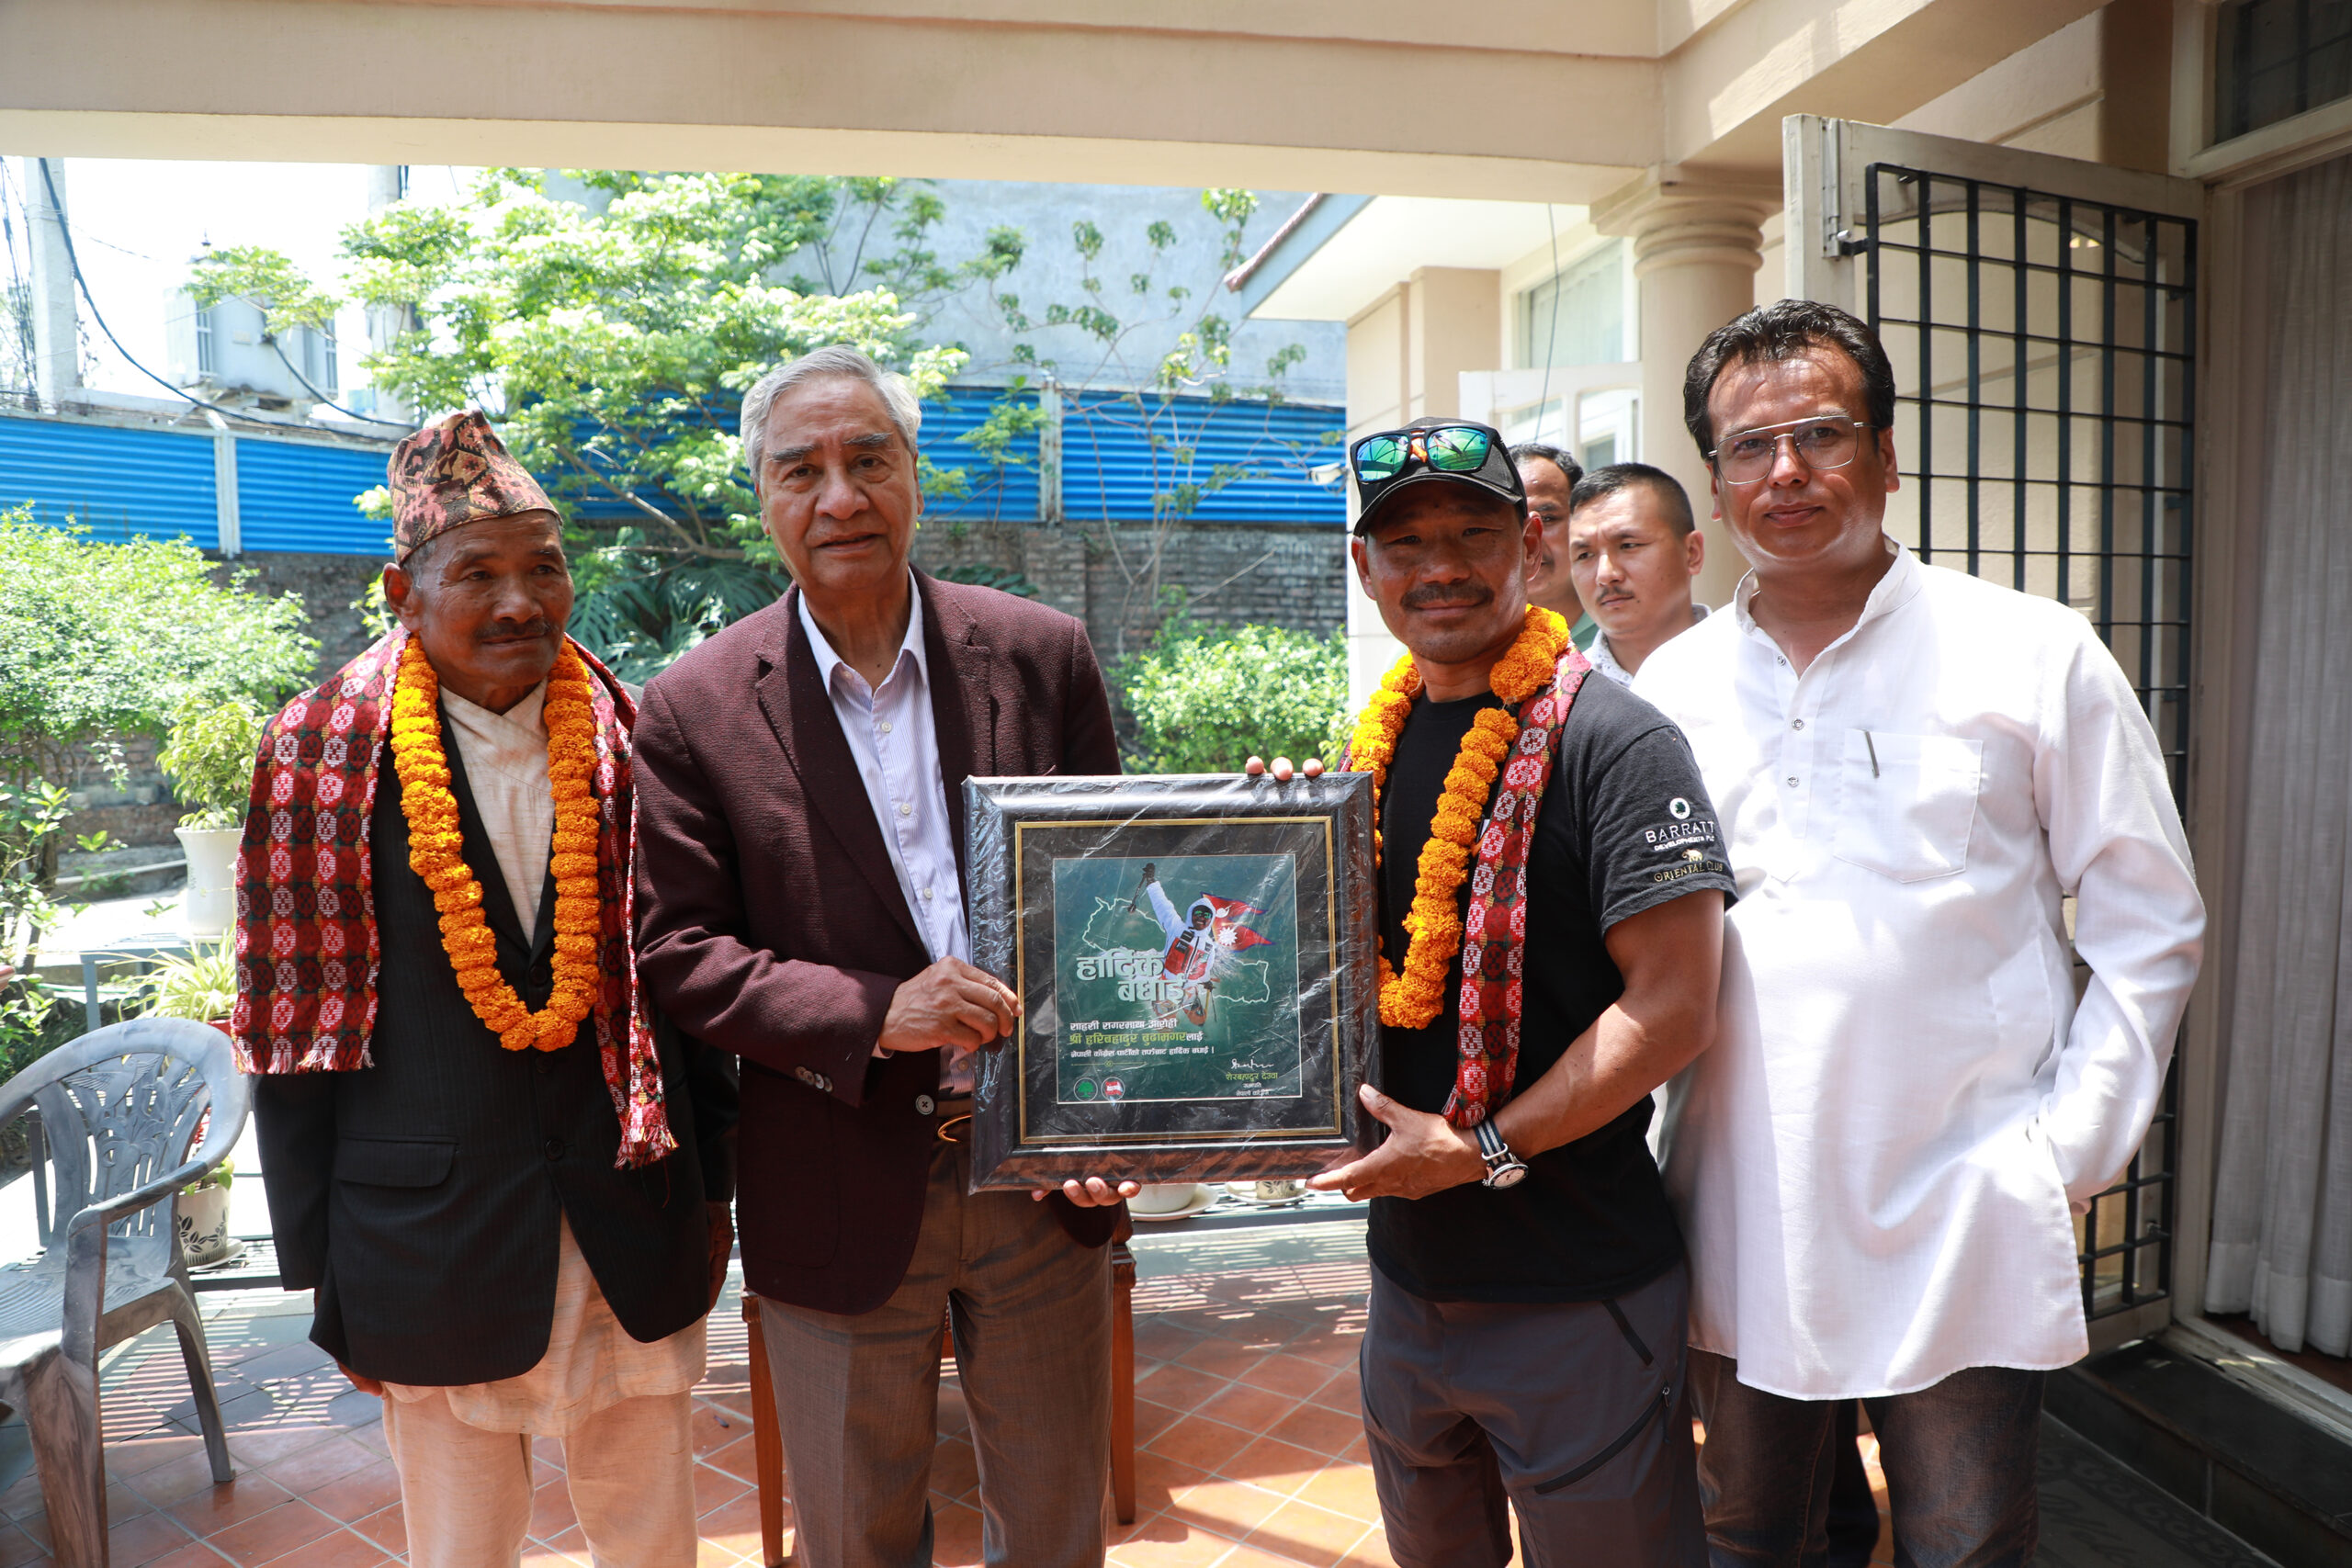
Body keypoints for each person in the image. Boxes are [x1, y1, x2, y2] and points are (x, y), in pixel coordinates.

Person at [1634, 300, 2206, 1566]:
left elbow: (2150, 918)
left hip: (1966, 1203)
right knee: (1749, 1538)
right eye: (1748, 447)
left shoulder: (2030, 651)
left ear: (1887, 456)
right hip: (1739, 1202)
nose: (1786, 470)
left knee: (1963, 1542)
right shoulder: (1668, 691)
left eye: (1821, 433)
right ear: (1716, 488)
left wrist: (2070, 1150)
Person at [630, 345, 1135, 1568]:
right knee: (857, 1539)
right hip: (835, 1178)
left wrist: (1110, 1114)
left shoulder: (1040, 653)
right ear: (762, 495)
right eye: (800, 469)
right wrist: (875, 1012)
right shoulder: (696, 705)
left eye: (868, 459)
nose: (839, 497)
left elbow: (1110, 903)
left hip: (1040, 1183)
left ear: (914, 472)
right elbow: (678, 950)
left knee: (1058, 1530)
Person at [237, 411, 738, 1568]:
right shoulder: (315, 754)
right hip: (425, 1241)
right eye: (478, 574)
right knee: (460, 1547)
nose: (521, 602)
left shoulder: (637, 736)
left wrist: (713, 1198)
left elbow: (687, 982)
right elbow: (290, 1030)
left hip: (633, 1211)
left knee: (653, 1537)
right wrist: (323, 1277)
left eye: (544, 569)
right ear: (401, 594)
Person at [1306, 415, 1733, 1564]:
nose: (1437, 567)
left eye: (1471, 534)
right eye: (1404, 544)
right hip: (1407, 1287)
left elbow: (1674, 1008)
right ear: (1364, 568)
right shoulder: (1368, 753)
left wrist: (1479, 1148)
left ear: (1530, 548)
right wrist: (1271, 841)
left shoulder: (1617, 741)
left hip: (1572, 1288)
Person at [1566, 462, 1709, 686]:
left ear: (1692, 553)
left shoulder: (1752, 664)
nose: (1605, 574)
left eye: (1628, 546)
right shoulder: (1563, 694)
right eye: (1584, 555)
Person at [1509, 440, 1599, 651]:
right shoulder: (1473, 641)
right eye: (1514, 521)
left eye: (1547, 518)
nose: (1529, 539)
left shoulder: (1626, 628)